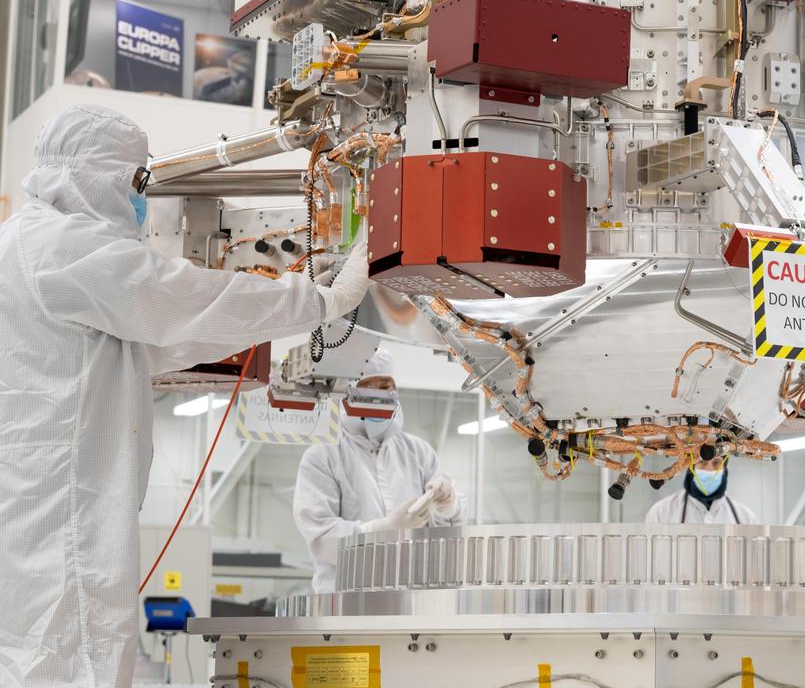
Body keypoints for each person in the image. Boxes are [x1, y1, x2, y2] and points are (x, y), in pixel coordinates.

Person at [0, 106, 370, 688]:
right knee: (73, 660)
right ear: (93, 174)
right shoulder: (62, 248)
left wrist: (290, 308)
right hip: (64, 526)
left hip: (42, 519)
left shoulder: (23, 245)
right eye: (136, 180)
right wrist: (319, 301)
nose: (139, 198)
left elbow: (154, 341)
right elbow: (180, 299)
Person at [293, 347, 464, 592]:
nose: (377, 396)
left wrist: (448, 507)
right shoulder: (323, 456)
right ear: (347, 391)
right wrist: (383, 530)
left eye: (385, 387)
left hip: (411, 600)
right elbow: (321, 537)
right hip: (347, 601)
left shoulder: (419, 452)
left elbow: (445, 539)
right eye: (366, 387)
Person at [645, 455, 761, 524]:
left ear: (725, 469)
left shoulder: (746, 518)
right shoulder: (661, 512)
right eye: (703, 462)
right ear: (691, 468)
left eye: (716, 463)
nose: (709, 469)